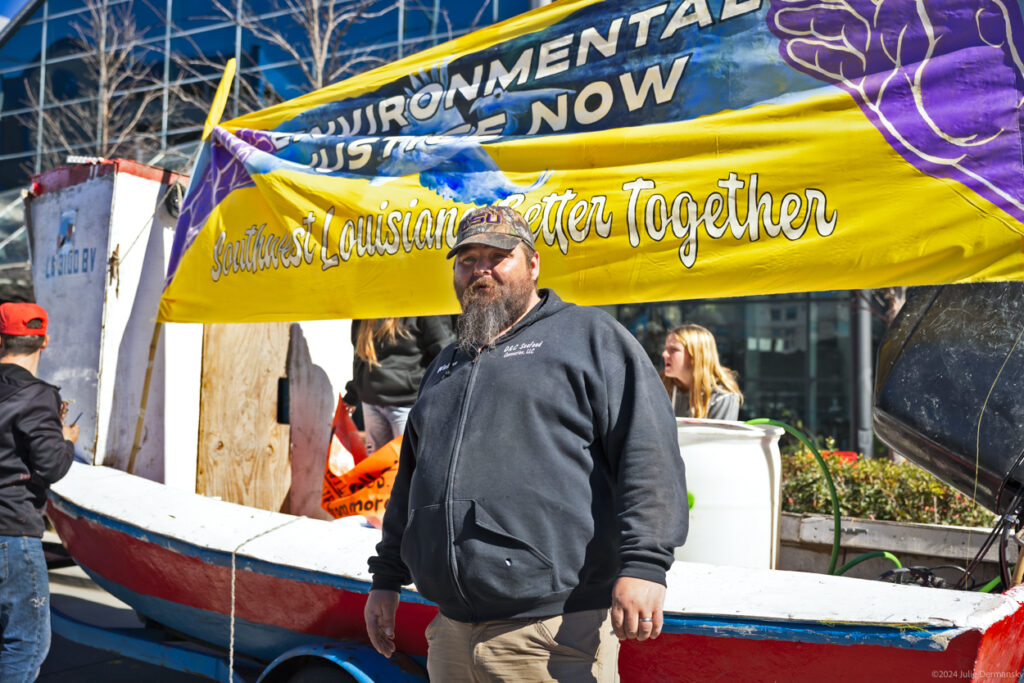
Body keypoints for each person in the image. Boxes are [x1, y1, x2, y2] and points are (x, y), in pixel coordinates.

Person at [364, 205, 688, 681]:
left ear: (533, 263)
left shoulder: (589, 338)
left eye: (497, 256)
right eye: (467, 259)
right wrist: (387, 576)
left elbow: (648, 453)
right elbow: (411, 482)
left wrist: (645, 565)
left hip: (550, 634)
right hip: (451, 633)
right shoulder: (446, 364)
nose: (480, 270)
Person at [0, 302, 79, 682]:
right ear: (44, 342)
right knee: (27, 643)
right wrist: (65, 440)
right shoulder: (38, 395)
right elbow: (52, 466)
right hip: (12, 533)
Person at [344, 316, 454, 454]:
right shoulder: (366, 307)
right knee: (382, 468)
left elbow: (445, 353)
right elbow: (361, 356)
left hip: (407, 403)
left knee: (405, 464)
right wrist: (353, 394)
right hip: (373, 401)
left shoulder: (422, 306)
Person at [662, 323, 743, 420]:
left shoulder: (722, 397)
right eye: (666, 349)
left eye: (673, 350)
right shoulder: (662, 385)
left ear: (696, 356)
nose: (664, 354)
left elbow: (718, 435)